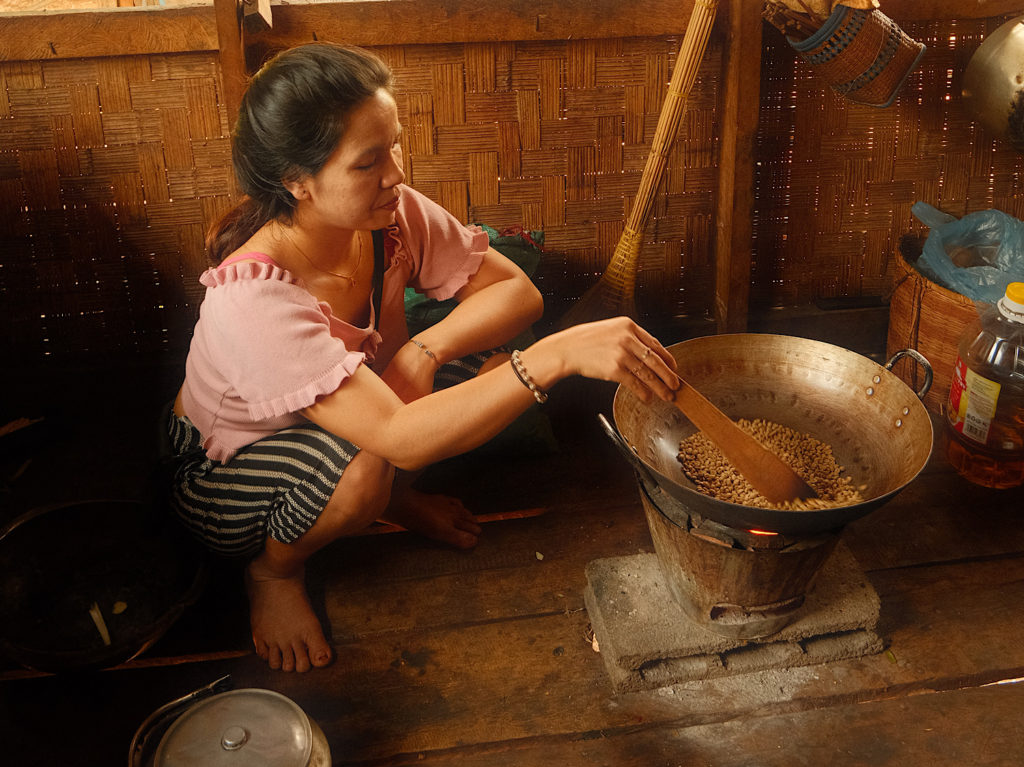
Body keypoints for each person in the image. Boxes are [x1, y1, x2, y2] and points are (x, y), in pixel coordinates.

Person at [166, 42, 680, 672]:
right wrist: (556, 357)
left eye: (395, 145)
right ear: (296, 182)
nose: (397, 174)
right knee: (371, 463)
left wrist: (426, 345)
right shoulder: (253, 301)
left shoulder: (387, 218)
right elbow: (396, 436)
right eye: (368, 162)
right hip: (227, 474)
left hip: (352, 418)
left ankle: (388, 500)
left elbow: (516, 294)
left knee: (484, 369)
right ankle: (274, 572)